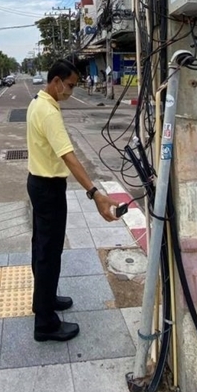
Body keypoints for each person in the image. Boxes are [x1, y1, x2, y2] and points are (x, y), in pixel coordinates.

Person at [26, 58, 119, 342]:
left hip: (39, 184)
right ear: (56, 81)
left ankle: (44, 300)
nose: (71, 92)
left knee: (42, 247)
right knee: (49, 253)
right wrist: (95, 193)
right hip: (48, 187)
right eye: (69, 86)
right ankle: (45, 323)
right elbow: (68, 155)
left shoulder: (38, 103)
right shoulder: (49, 112)